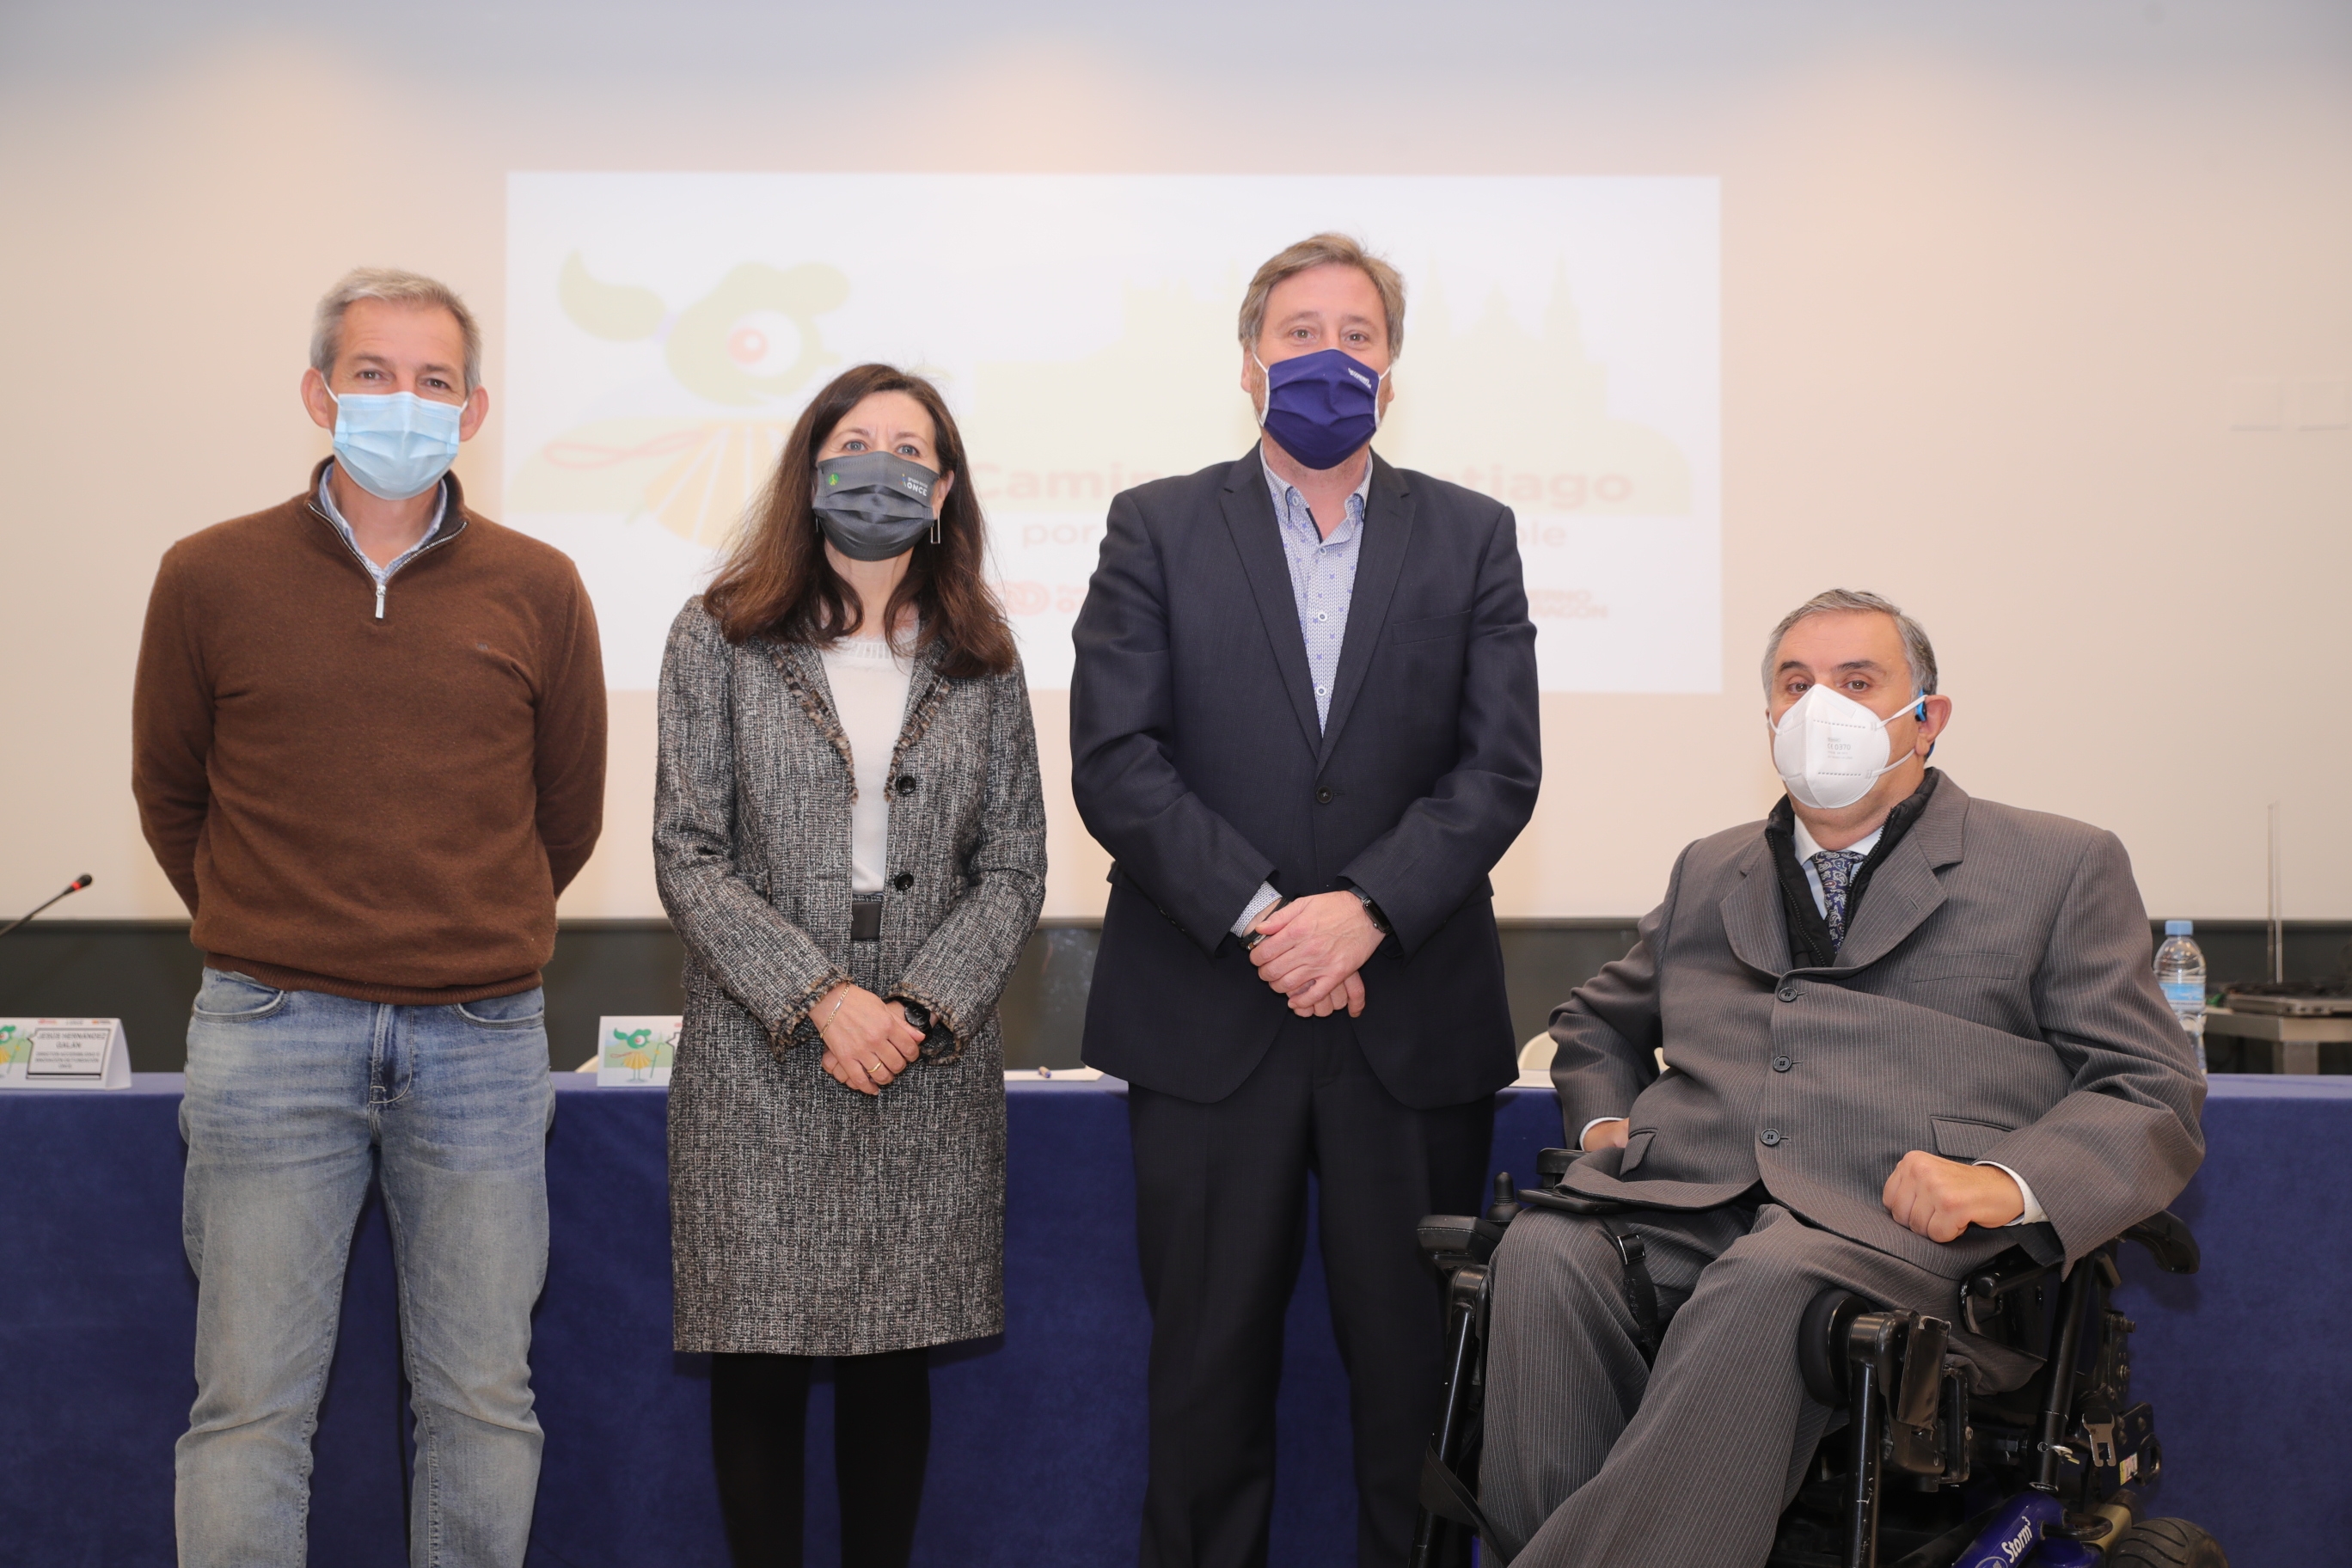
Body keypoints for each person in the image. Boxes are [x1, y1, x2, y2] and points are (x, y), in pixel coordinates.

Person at [1478, 589, 2207, 1568]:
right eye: (1797, 684)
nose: (1823, 706)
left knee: (1771, 1280)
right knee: (1544, 1257)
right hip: (1687, 1206)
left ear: (1927, 718)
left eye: (1858, 682)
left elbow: (2152, 1089)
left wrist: (2007, 1182)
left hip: (1902, 1243)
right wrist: (1609, 1126)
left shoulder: (2058, 864)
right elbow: (1596, 1023)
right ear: (1771, 718)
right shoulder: (1713, 868)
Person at [1069, 233, 1542, 1568]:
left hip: (1412, 1021)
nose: (1328, 356)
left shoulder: (1473, 535)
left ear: (1392, 372)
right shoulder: (1154, 525)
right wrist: (1275, 917)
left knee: (1418, 1395)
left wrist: (1367, 912)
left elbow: (1499, 765)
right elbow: (1117, 758)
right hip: (1211, 1019)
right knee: (1206, 1389)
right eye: (1299, 332)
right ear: (1247, 362)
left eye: (1358, 335)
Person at [131, 267, 608, 1567]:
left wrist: (451, 931)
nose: (405, 401)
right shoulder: (207, 574)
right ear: (316, 392)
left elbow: (563, 818)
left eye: (435, 381)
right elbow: (174, 796)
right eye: (375, 374)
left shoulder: (543, 586)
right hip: (268, 1033)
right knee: (247, 1414)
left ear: (477, 409)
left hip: (482, 1041)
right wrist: (280, 928)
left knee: (482, 1408)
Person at [654, 362, 1046, 1568]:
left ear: (942, 489)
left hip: (926, 1051)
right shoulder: (718, 632)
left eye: (910, 447)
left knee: (895, 1363)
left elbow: (1016, 866)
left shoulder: (982, 652)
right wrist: (820, 998)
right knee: (759, 1366)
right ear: (811, 468)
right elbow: (688, 852)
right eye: (855, 441)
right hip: (762, 1046)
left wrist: (915, 1011)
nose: (882, 463)